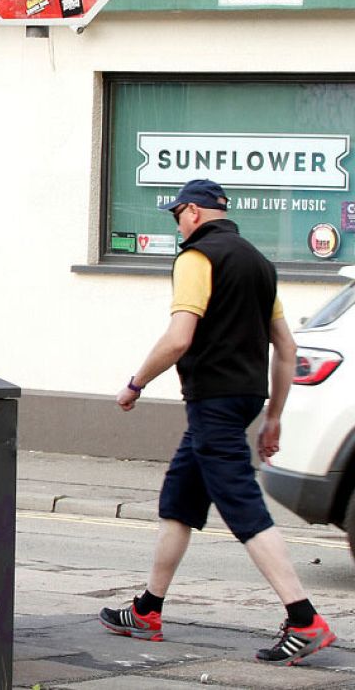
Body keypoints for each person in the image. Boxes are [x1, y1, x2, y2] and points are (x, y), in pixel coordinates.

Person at [99, 178, 335, 665]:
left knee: (243, 506)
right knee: (180, 500)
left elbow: (179, 338)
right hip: (244, 399)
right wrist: (273, 418)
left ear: (193, 212)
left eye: (176, 215)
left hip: (213, 403)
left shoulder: (196, 258)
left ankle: (304, 619)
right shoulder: (259, 264)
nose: (176, 226)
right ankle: (147, 610)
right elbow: (286, 349)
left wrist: (135, 383)